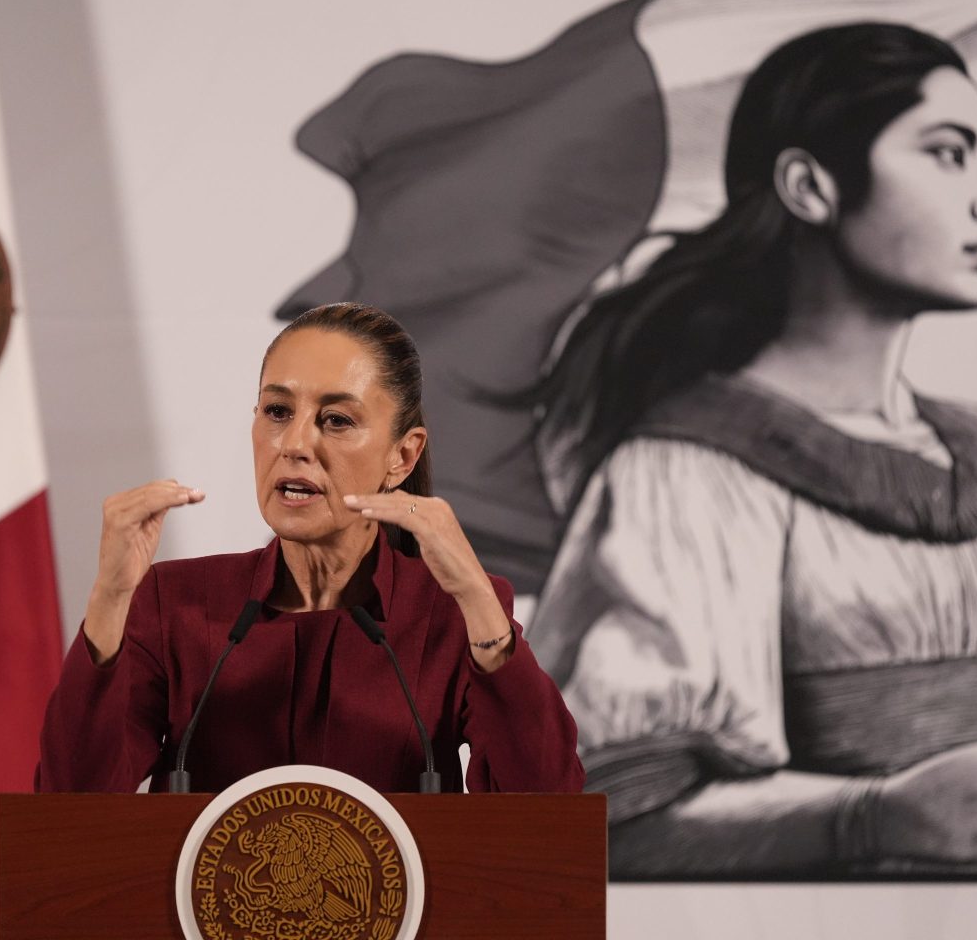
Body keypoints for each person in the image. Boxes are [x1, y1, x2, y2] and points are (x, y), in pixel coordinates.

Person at [526, 23, 977, 876]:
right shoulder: (688, 473)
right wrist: (875, 816)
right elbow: (605, 814)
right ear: (810, 186)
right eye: (950, 155)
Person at [37, 302, 584, 795]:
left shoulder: (449, 612)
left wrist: (474, 599)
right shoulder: (175, 603)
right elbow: (70, 805)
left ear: (402, 456)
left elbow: (548, 808)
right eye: (277, 412)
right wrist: (109, 598)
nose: (296, 444)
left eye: (336, 420)